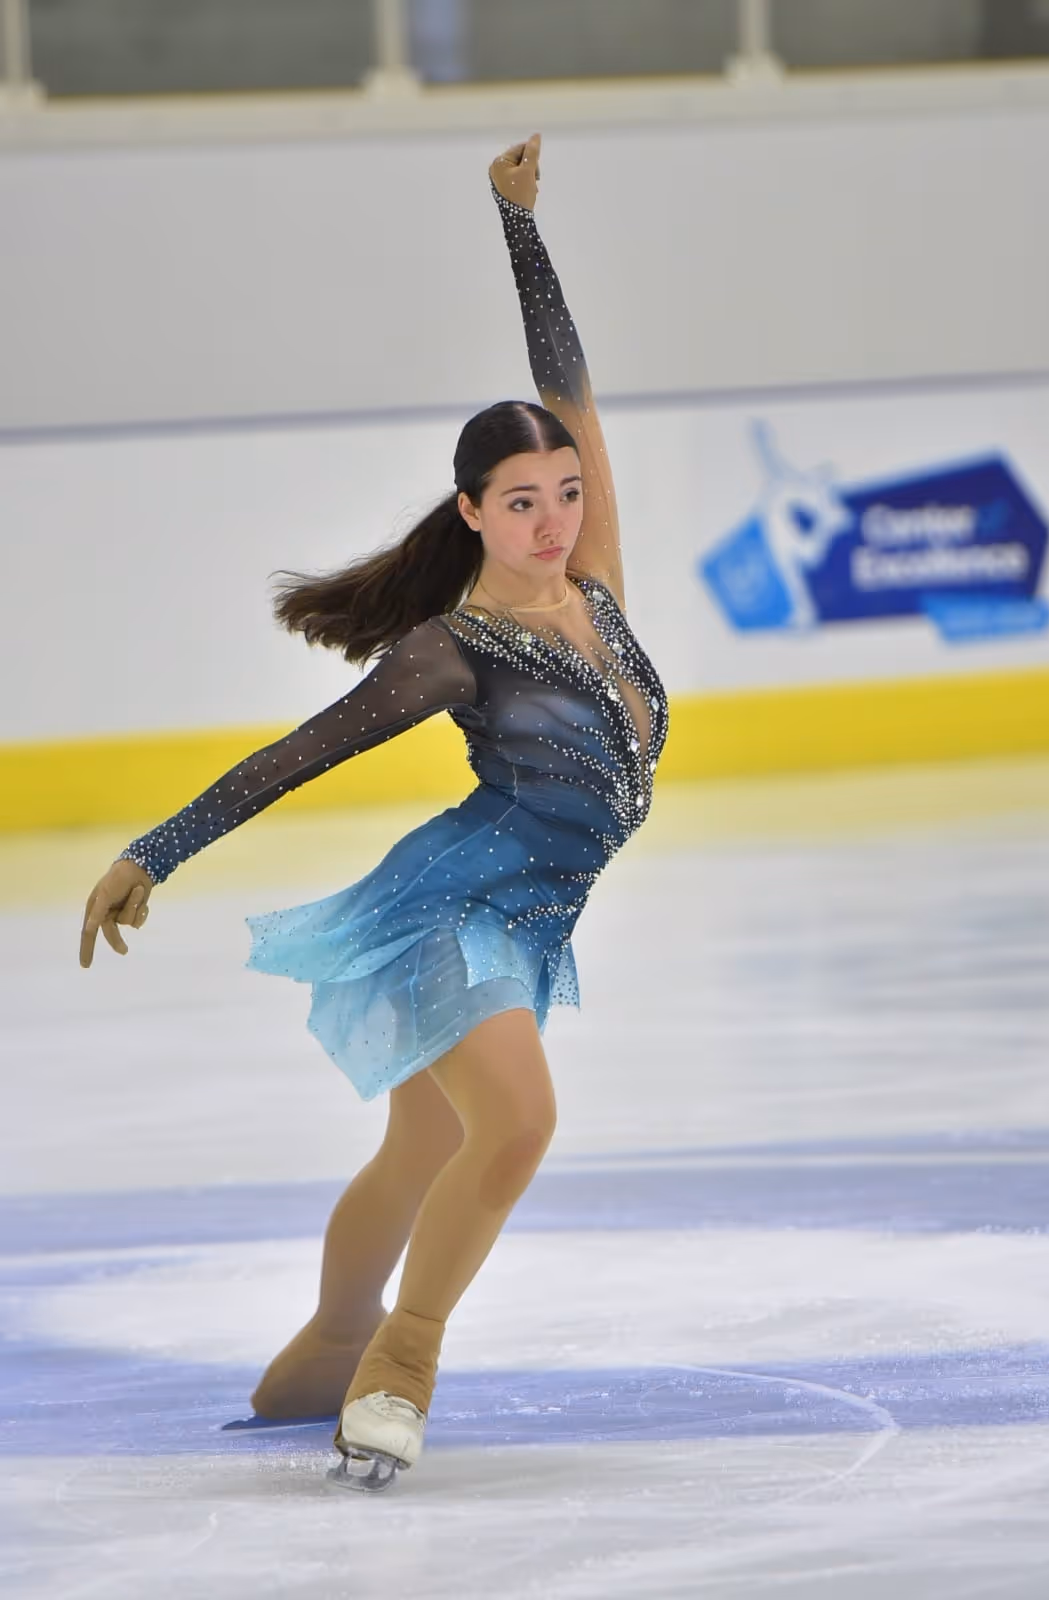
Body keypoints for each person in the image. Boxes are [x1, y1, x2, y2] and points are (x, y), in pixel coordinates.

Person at [78, 133, 669, 1491]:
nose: (555, 519)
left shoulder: (601, 585)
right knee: (515, 1127)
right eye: (522, 503)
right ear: (471, 513)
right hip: (451, 909)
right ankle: (397, 1367)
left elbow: (565, 388)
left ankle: (327, 1338)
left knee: (425, 1145)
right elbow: (301, 753)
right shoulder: (452, 649)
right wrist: (151, 849)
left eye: (566, 494)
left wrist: (517, 226)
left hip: (527, 918)